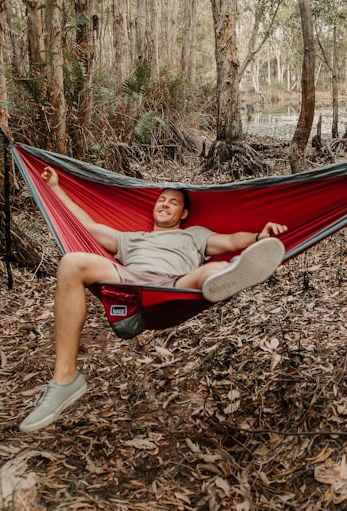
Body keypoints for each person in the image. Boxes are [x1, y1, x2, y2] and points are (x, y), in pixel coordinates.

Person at [20, 166, 287, 432]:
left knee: (213, 270)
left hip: (174, 284)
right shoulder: (132, 238)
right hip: (128, 280)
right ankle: (65, 379)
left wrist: (257, 237)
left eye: (173, 202)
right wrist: (55, 188)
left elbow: (229, 242)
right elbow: (85, 226)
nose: (165, 204)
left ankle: (231, 275)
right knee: (71, 262)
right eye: (162, 199)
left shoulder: (194, 235)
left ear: (183, 214)